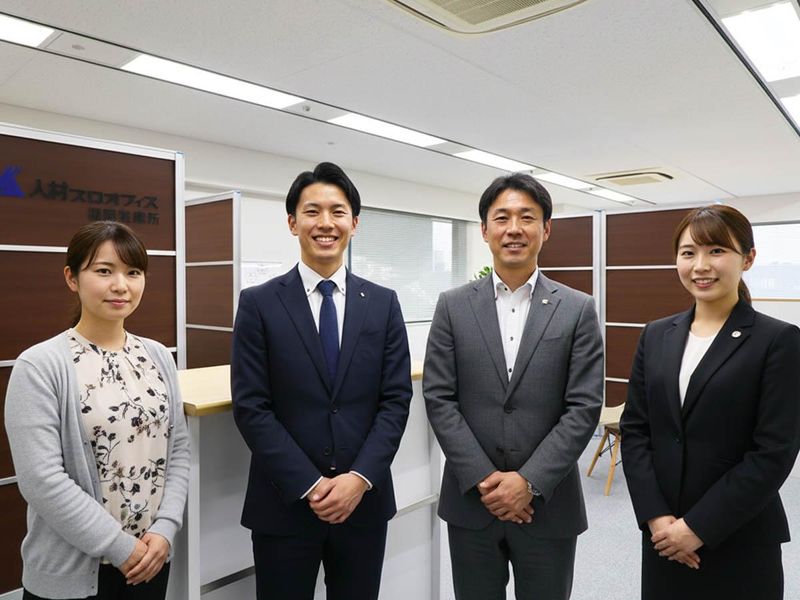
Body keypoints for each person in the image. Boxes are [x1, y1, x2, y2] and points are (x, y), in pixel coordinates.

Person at [231, 161, 412, 600]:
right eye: (312, 211)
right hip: (284, 503)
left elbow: (395, 400)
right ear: (293, 223)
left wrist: (359, 478)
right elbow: (251, 406)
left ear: (355, 223)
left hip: (363, 503)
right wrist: (310, 485)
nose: (325, 223)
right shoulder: (258, 304)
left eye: (338, 211)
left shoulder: (383, 303)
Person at [424, 173, 604, 600]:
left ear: (546, 229)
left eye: (527, 217)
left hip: (548, 504)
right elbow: (439, 397)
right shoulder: (452, 306)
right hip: (472, 503)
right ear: (484, 229)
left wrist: (529, 481)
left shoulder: (577, 309)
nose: (514, 229)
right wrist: (486, 479)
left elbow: (583, 407)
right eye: (502, 218)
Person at [620, 205, 800, 600]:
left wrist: (696, 528)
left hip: (739, 536)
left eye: (716, 250)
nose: (700, 265)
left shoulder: (778, 341)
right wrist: (657, 518)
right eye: (688, 253)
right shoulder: (656, 335)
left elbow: (774, 451)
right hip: (664, 538)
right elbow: (635, 431)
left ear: (748, 258)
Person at [4, 221, 190, 600]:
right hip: (77, 573)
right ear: (71, 278)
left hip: (151, 560)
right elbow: (41, 480)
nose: (121, 285)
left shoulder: (157, 356)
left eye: (133, 272)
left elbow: (178, 450)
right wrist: (122, 548)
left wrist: (165, 529)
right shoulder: (40, 365)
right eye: (104, 271)